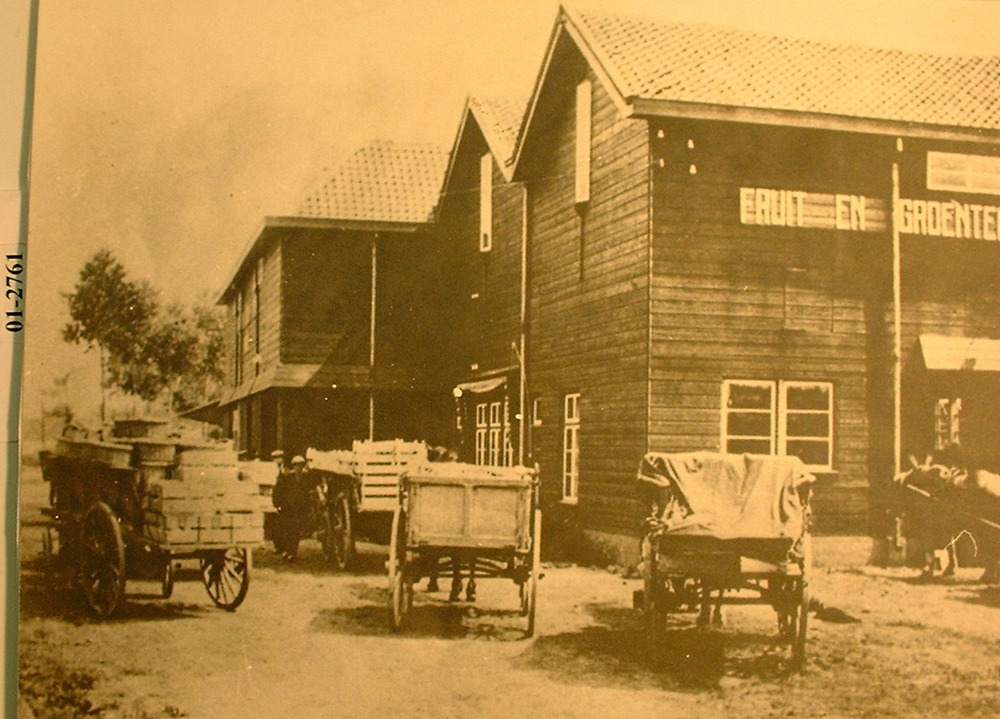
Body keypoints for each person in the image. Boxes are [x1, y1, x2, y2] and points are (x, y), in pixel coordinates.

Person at [272, 455, 311, 561]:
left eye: (301, 465)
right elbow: (279, 491)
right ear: (293, 466)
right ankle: (287, 551)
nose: (299, 468)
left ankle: (292, 552)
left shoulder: (305, 478)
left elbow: (307, 494)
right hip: (287, 508)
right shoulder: (288, 478)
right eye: (297, 466)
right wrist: (278, 505)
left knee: (296, 532)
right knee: (287, 530)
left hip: (299, 509)